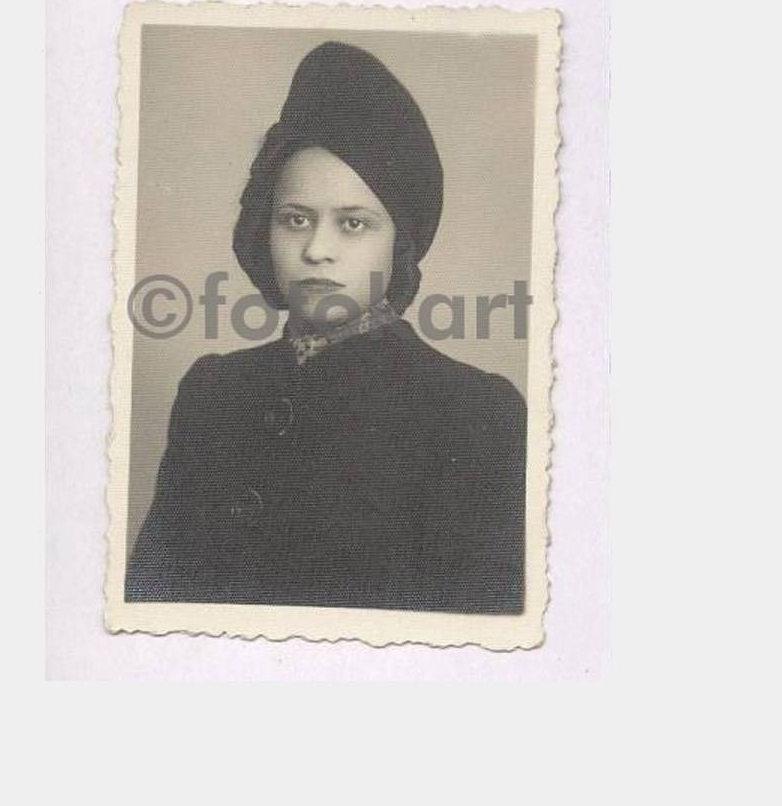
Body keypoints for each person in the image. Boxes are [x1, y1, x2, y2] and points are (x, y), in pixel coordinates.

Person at [126, 41, 526, 614]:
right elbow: (152, 604)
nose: (316, 250)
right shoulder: (212, 392)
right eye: (295, 219)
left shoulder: (475, 415)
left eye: (354, 224)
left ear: (398, 245)